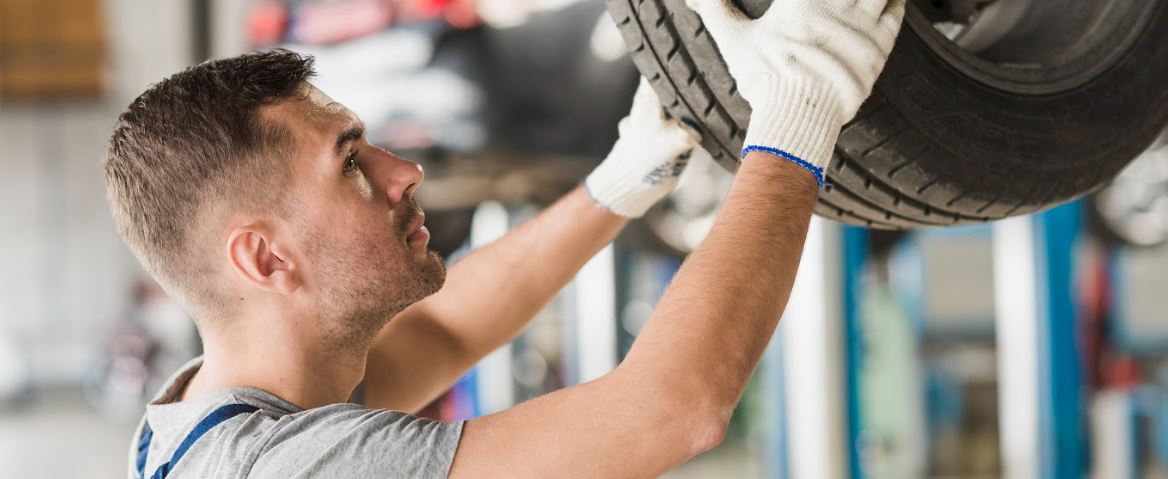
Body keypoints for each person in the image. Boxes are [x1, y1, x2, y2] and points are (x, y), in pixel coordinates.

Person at [105, 0, 904, 476]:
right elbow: (674, 408)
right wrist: (799, 115)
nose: (405, 169)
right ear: (264, 257)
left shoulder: (216, 419)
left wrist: (616, 184)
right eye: (351, 164)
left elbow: (446, 328)